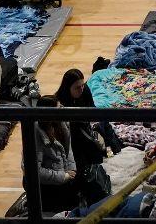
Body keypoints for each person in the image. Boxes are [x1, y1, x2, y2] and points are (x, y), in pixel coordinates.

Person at [54, 69, 118, 203]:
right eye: (77, 87)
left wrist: (95, 127)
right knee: (88, 150)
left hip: (87, 126)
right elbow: (66, 132)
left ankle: (108, 149)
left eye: (82, 85)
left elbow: (93, 111)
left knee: (105, 127)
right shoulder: (60, 103)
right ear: (68, 87)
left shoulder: (85, 90)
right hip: (74, 133)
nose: (81, 89)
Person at [31, 98, 81, 213]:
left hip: (62, 176)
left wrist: (71, 169)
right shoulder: (35, 133)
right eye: (58, 108)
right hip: (47, 185)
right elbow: (34, 171)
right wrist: (63, 176)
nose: (62, 110)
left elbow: (68, 150)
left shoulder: (61, 124)